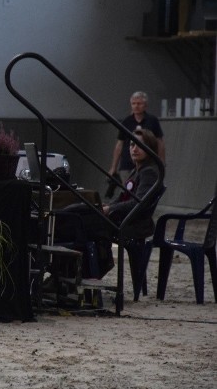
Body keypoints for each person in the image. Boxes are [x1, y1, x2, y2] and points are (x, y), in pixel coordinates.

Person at [58, 128, 164, 276]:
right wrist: (108, 206)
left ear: (150, 148)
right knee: (78, 211)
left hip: (132, 224)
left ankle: (79, 271)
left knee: (78, 221)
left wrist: (109, 209)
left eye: (140, 145)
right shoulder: (138, 170)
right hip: (123, 218)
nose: (134, 149)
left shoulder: (149, 172)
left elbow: (138, 203)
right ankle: (72, 271)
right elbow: (122, 198)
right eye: (132, 145)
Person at [108, 91, 165, 185]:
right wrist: (113, 167)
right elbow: (119, 144)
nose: (136, 106)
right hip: (127, 163)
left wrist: (161, 161)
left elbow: (159, 142)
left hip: (148, 162)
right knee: (128, 189)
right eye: (133, 103)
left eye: (139, 103)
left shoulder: (152, 120)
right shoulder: (126, 121)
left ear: (145, 105)